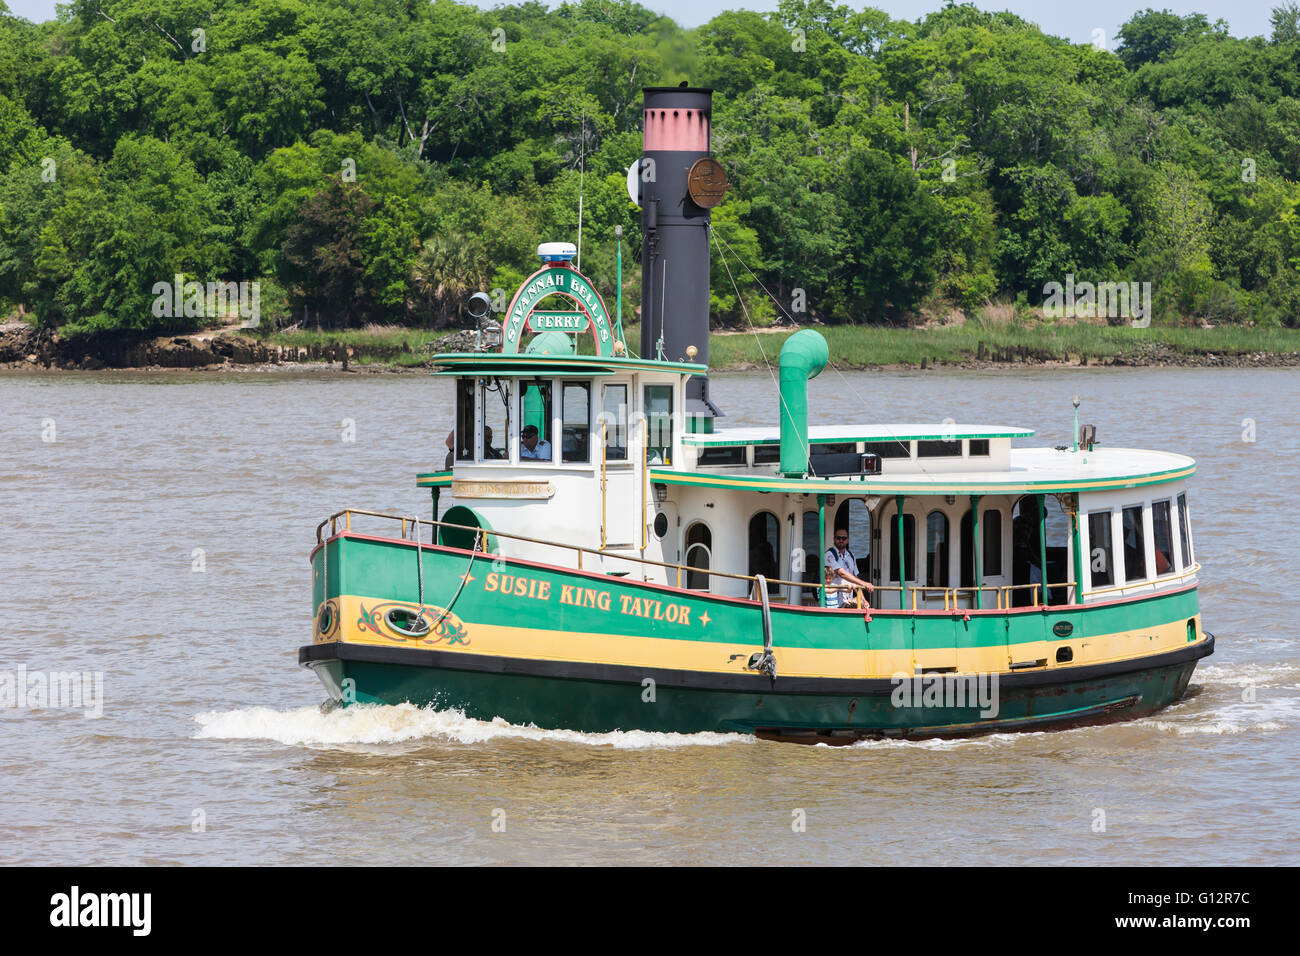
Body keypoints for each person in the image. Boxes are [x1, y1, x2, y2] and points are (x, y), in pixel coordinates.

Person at [825, 528, 873, 608]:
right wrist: (864, 583)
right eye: (838, 538)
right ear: (834, 539)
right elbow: (841, 573)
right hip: (833, 601)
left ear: (848, 540)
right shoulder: (829, 555)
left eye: (844, 538)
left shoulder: (851, 556)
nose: (841, 540)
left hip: (847, 601)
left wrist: (863, 600)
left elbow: (855, 579)